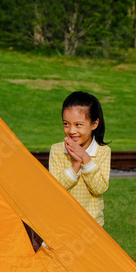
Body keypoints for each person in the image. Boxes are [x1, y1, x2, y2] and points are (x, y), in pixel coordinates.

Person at [48, 91, 111, 226]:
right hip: (61, 223)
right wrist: (75, 164)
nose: (71, 131)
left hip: (92, 225)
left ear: (94, 124)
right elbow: (55, 188)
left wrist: (86, 159)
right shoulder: (57, 150)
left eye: (78, 125)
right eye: (66, 124)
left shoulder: (103, 152)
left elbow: (99, 188)